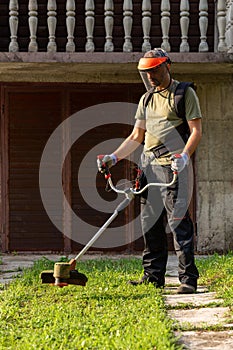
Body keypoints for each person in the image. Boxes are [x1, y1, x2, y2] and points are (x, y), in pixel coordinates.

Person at [97, 48, 202, 294]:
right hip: (148, 167)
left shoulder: (184, 93)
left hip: (172, 167)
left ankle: (188, 279)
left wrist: (184, 156)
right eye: (146, 72)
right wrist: (113, 157)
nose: (151, 76)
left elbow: (196, 131)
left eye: (154, 70)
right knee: (149, 223)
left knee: (178, 223)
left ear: (167, 66)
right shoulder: (146, 99)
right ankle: (153, 276)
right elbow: (136, 136)